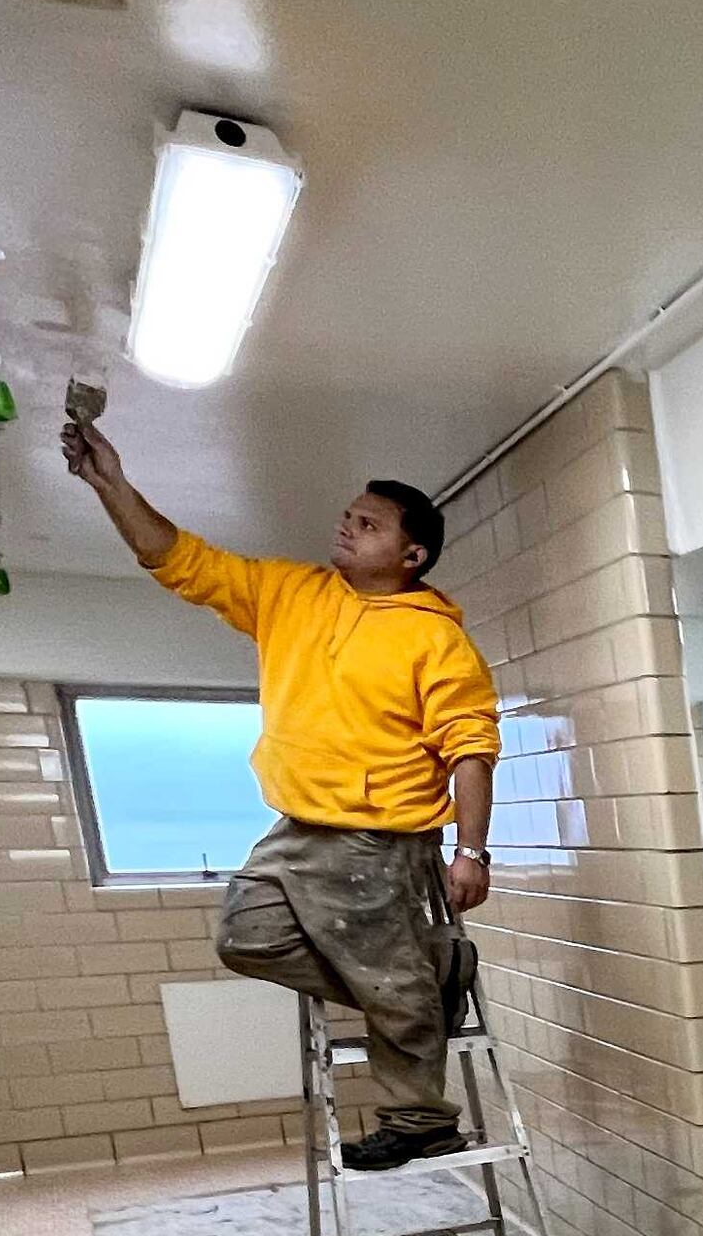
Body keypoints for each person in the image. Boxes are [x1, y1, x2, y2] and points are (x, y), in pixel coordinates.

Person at [63, 415, 501, 1171]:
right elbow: (179, 560)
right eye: (348, 516)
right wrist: (111, 483)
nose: (348, 527)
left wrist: (471, 851)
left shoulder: (434, 639)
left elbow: (471, 748)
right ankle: (426, 978)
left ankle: (421, 1115)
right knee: (247, 939)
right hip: (295, 825)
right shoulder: (290, 593)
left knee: (388, 979)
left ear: (411, 553)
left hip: (379, 839)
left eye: (368, 524)